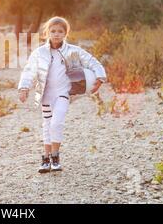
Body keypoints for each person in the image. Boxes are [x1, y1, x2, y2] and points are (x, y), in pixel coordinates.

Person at [17, 16, 106, 173]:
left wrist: (100, 77)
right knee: (47, 124)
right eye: (53, 31)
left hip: (63, 94)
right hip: (45, 95)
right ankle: (46, 158)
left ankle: (55, 156)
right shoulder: (39, 53)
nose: (56, 34)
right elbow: (29, 70)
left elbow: (92, 61)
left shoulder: (73, 51)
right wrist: (24, 88)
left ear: (66, 33)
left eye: (60, 31)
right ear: (47, 33)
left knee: (56, 123)